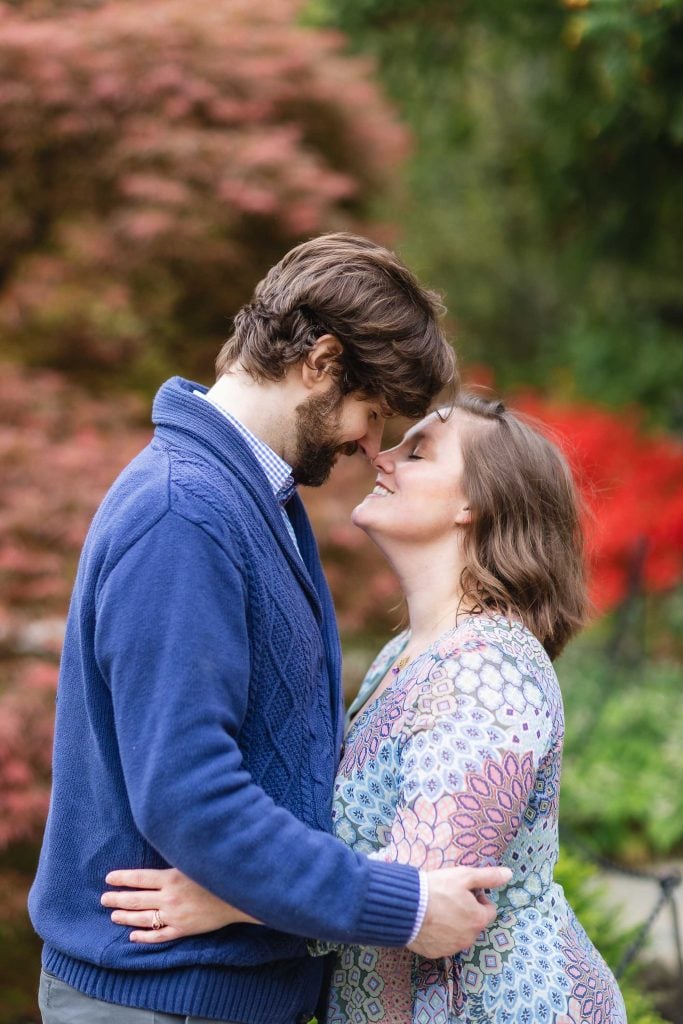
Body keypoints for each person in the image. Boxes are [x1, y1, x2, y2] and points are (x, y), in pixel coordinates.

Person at [29, 233, 512, 1024]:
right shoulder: (184, 512)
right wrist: (403, 908)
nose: (367, 445)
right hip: (160, 1000)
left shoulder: (257, 504)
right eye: (370, 412)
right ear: (319, 362)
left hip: (219, 992)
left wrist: (253, 908)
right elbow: (192, 799)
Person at [103, 393, 628, 1023]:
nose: (383, 456)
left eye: (420, 451)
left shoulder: (490, 668)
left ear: (475, 505)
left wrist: (227, 898)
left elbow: (425, 891)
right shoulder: (404, 654)